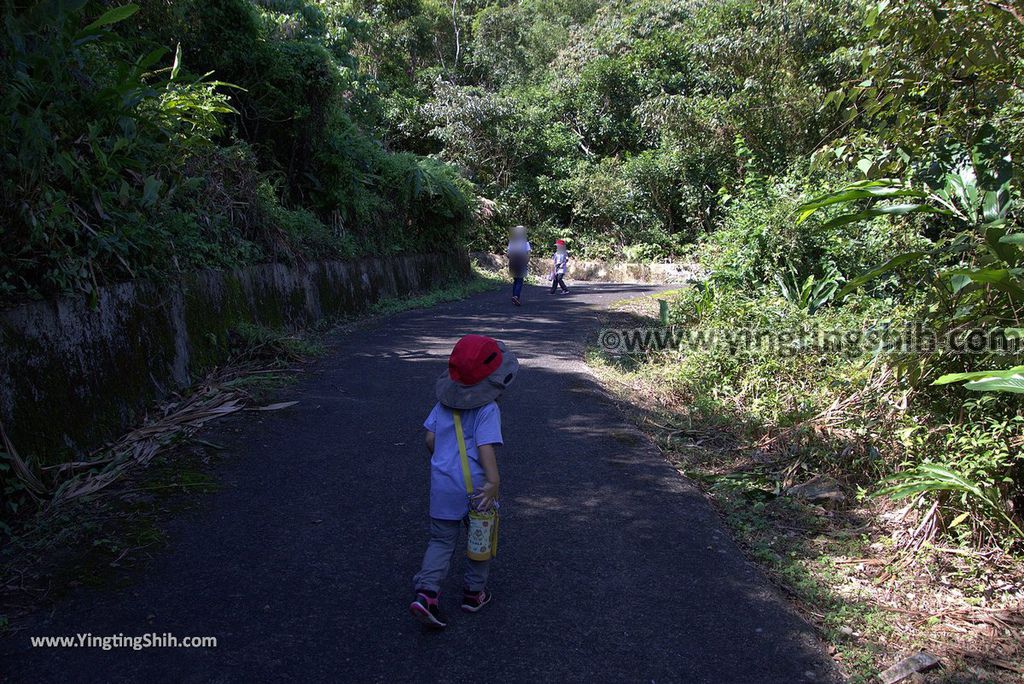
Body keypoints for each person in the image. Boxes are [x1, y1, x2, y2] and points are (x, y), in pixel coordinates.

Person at [410, 334, 519, 628]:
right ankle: (473, 594)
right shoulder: (487, 409)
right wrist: (493, 481)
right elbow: (486, 448)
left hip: (444, 486)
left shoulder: (442, 405)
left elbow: (430, 439)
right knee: (478, 541)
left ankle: (427, 593)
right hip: (477, 491)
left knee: (441, 540)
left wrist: (445, 461)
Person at [506, 225, 531, 306]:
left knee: (515, 280)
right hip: (521, 261)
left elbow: (508, 254)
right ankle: (516, 297)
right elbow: (528, 254)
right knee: (519, 281)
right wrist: (526, 262)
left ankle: (514, 297)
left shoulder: (512, 242)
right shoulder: (525, 242)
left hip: (513, 262)